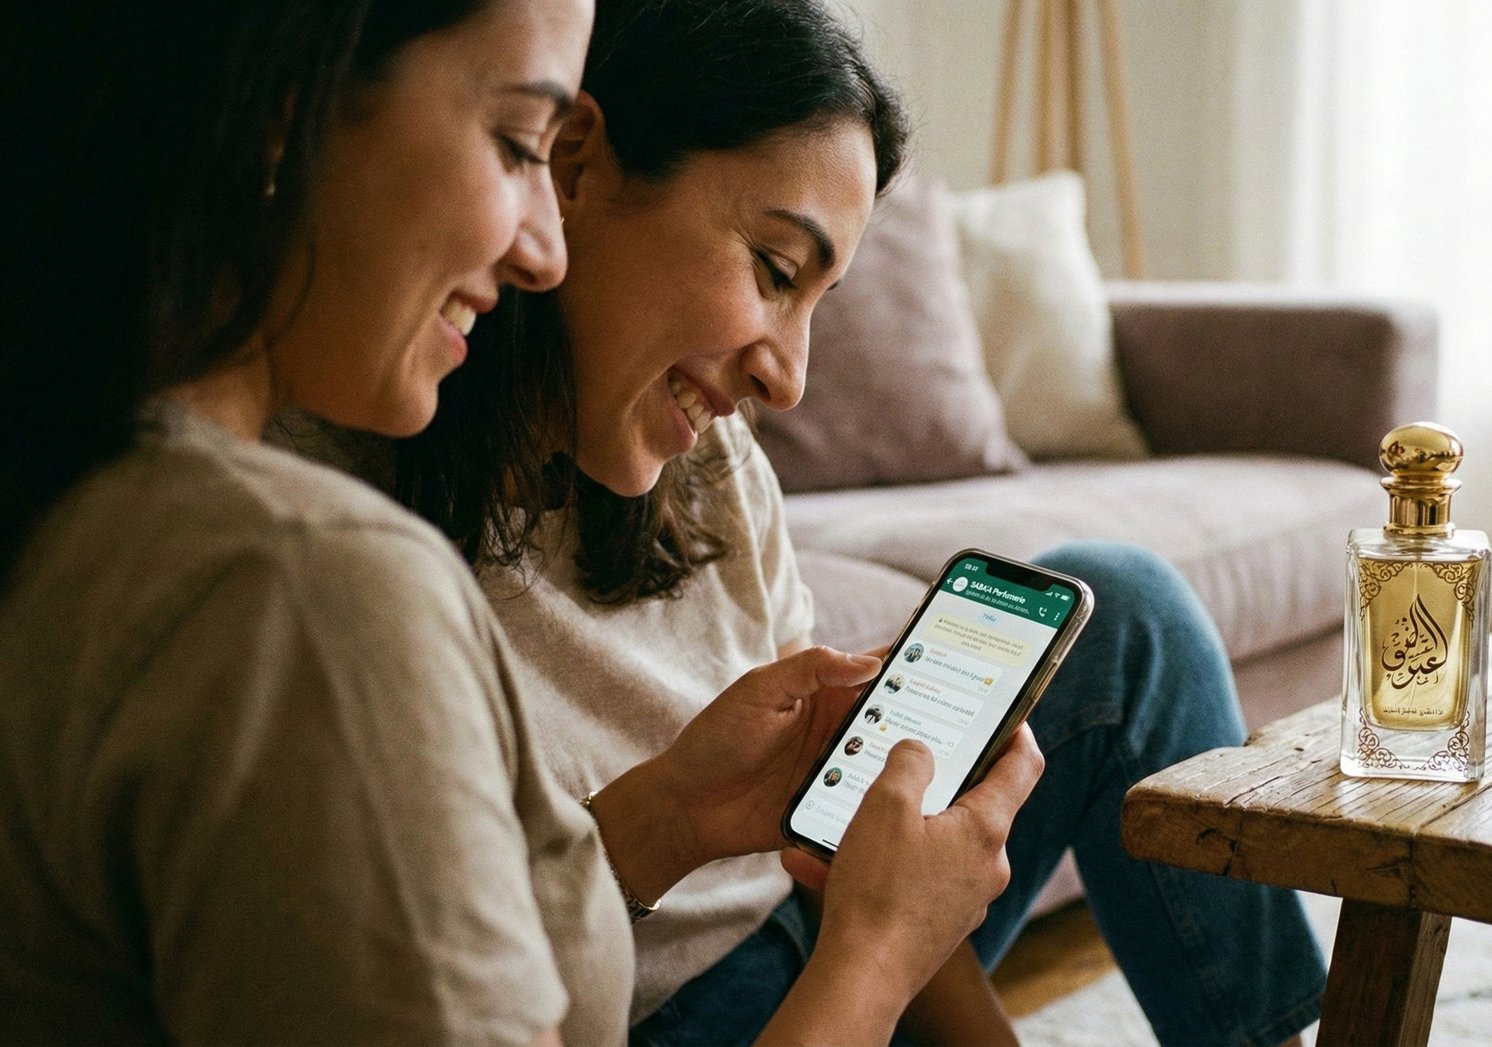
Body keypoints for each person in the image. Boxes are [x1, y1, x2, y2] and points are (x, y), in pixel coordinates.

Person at [0, 3, 1038, 1043]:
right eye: (517, 145)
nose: (545, 248)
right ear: (284, 116)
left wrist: (674, 814)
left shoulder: (101, 487)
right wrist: (875, 954)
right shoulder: (307, 582)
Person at [390, 1, 1327, 1044]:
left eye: (817, 302)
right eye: (777, 270)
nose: (788, 380)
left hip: (809, 943)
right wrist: (864, 958)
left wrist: (809, 891)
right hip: (645, 1013)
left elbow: (835, 871)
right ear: (573, 169)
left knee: (1127, 612)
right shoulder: (355, 561)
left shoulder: (708, 465)